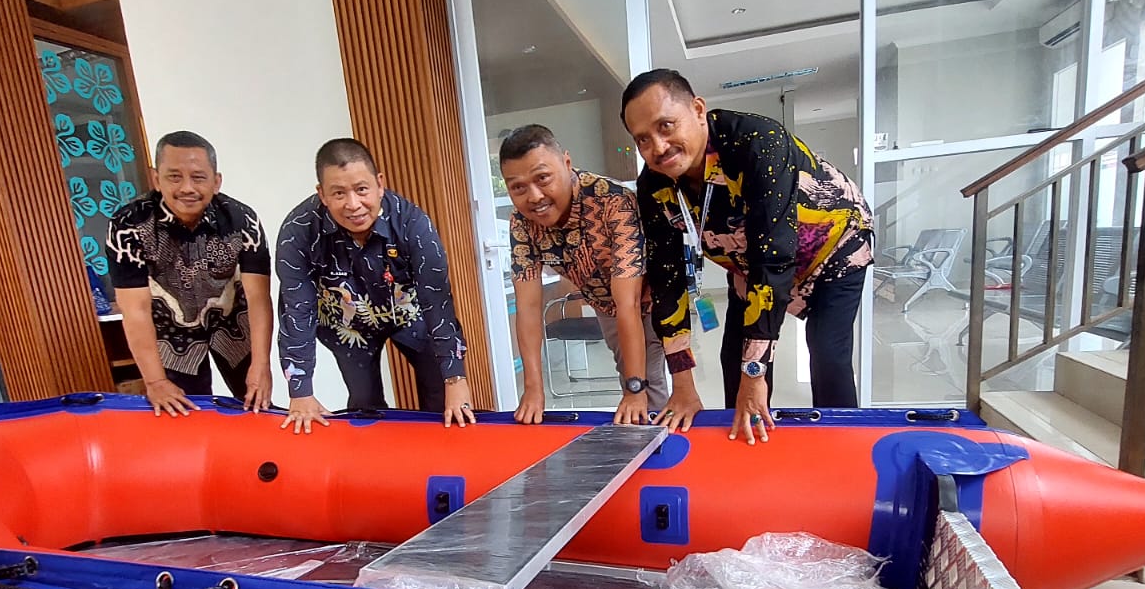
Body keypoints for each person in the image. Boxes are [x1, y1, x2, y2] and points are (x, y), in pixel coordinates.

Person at [621, 69, 873, 444]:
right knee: (732, 360)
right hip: (748, 263)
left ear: (698, 109)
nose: (658, 147)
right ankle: (742, 439)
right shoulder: (654, 186)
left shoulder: (757, 141)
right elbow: (666, 279)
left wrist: (755, 376)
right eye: (643, 139)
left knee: (827, 354)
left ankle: (846, 448)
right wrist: (683, 384)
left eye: (667, 125)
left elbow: (774, 259)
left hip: (833, 250)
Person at [276, 138, 473, 432]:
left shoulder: (412, 224)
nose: (353, 205)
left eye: (362, 189)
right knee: (365, 405)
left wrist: (456, 379)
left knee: (442, 397)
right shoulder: (298, 232)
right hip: (346, 324)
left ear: (380, 184)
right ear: (322, 194)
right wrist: (300, 390)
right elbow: (297, 310)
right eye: (339, 193)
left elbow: (438, 302)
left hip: (409, 312)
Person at [500, 124, 668, 425]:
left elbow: (628, 303)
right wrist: (533, 389)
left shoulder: (612, 201)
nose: (534, 196)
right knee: (629, 375)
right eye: (518, 187)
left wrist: (634, 389)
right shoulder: (521, 223)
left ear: (566, 163)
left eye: (542, 178)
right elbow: (527, 307)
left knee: (647, 388)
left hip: (651, 299)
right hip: (606, 305)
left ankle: (666, 458)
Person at [106, 130, 274, 418]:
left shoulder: (242, 220)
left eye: (198, 177)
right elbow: (136, 310)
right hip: (170, 330)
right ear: (156, 178)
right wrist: (155, 381)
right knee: (185, 414)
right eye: (174, 176)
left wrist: (262, 366)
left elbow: (259, 298)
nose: (187, 188)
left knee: (256, 405)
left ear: (216, 181)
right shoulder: (128, 226)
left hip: (231, 318)